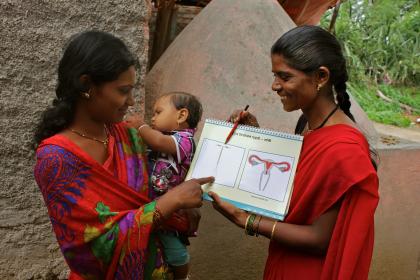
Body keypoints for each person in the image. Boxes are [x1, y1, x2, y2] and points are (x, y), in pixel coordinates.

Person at [33, 30, 213, 280]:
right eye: (123, 90)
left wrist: (180, 211)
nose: (130, 101)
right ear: (87, 86)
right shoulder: (56, 159)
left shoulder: (127, 136)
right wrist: (172, 202)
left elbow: (156, 187)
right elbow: (90, 251)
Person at [209, 25, 379, 279]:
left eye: (284, 77)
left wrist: (245, 220)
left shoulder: (345, 149)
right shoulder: (309, 126)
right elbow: (292, 188)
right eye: (275, 75)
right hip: (283, 261)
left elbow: (319, 238)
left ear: (321, 77)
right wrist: (254, 138)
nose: (274, 86)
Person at [125, 92, 203, 280]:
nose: (153, 117)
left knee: (175, 250)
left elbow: (158, 142)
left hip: (172, 211)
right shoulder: (165, 136)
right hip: (154, 207)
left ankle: (183, 276)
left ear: (181, 116)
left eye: (158, 112)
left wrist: (140, 126)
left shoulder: (185, 140)